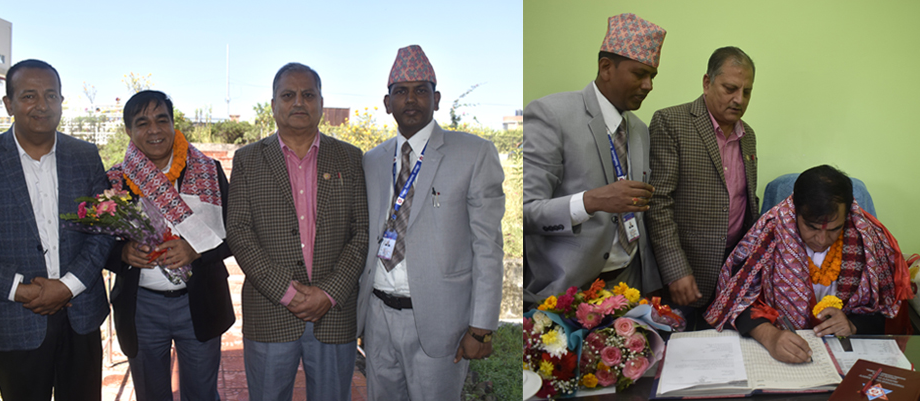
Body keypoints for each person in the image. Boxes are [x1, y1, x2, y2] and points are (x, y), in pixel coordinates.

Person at [0, 59, 113, 400]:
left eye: (51, 95)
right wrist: (21, 291)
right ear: (9, 104)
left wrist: (67, 286)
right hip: (14, 317)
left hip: (79, 315)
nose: (42, 105)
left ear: (62, 103)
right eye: (28, 96)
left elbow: (103, 231)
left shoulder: (85, 156)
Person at [355, 45, 505, 400]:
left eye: (421, 90)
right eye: (401, 91)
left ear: (436, 99)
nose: (411, 99)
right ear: (386, 102)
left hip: (442, 322)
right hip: (377, 318)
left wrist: (481, 328)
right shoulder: (372, 161)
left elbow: (488, 246)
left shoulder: (473, 153)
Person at [226, 62, 368, 401]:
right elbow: (239, 233)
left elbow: (362, 232)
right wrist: (287, 292)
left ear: (321, 102)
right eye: (288, 95)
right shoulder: (247, 159)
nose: (299, 102)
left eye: (308, 94)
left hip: (334, 310)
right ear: (273, 104)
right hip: (270, 310)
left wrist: (328, 292)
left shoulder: (350, 158)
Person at [523, 13, 666, 305]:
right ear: (605, 68)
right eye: (639, 74)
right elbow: (526, 212)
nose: (649, 85)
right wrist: (591, 201)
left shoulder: (639, 129)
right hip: (566, 294)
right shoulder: (552, 115)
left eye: (652, 76)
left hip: (630, 288)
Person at [705, 165, 912, 363]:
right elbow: (734, 300)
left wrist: (853, 324)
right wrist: (769, 336)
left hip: (844, 354)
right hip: (777, 350)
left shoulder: (868, 239)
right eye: (812, 227)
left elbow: (888, 309)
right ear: (796, 212)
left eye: (833, 229)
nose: (821, 239)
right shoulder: (769, 233)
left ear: (847, 215)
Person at [104, 90, 234, 400]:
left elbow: (235, 234)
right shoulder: (115, 181)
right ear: (129, 131)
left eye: (162, 120)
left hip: (199, 300)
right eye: (143, 122)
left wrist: (195, 250)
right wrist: (122, 253)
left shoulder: (208, 172)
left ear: (173, 124)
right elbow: (96, 243)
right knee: (151, 394)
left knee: (201, 394)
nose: (154, 130)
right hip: (142, 306)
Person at [645, 46, 760, 329]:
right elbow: (658, 203)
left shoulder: (748, 136)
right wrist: (675, 270)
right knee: (680, 361)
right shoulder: (671, 122)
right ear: (707, 82)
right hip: (685, 276)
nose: (739, 99)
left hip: (731, 276)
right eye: (730, 88)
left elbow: (745, 200)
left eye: (747, 92)